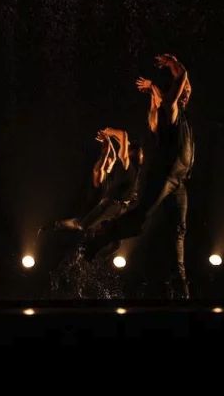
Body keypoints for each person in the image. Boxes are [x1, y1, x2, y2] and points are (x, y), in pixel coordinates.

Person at [83, 54, 194, 298]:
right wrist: (172, 63)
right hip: (164, 177)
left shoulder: (179, 114)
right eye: (184, 90)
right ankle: (99, 239)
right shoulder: (169, 111)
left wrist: (162, 79)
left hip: (178, 182)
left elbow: (185, 82)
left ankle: (180, 286)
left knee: (178, 230)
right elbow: (182, 77)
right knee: (140, 217)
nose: (187, 90)